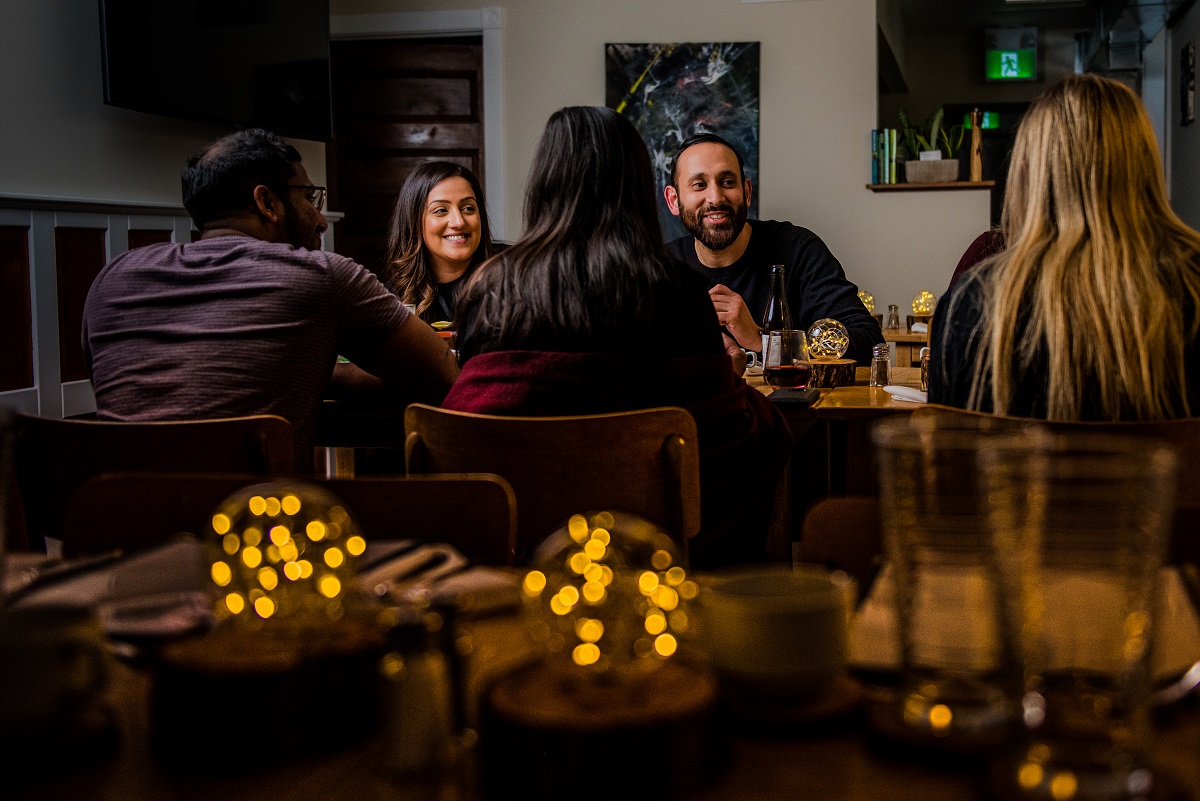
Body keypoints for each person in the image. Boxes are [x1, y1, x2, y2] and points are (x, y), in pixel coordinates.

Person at [450, 106, 793, 568]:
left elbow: (489, 397)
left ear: (544, 182)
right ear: (638, 189)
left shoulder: (489, 287)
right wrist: (727, 383)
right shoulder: (676, 289)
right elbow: (719, 427)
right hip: (657, 547)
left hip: (519, 547)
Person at [82, 128, 459, 467]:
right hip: (255, 530)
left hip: (119, 528)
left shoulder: (113, 277)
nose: (321, 219)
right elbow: (442, 373)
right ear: (266, 202)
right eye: (309, 197)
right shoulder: (321, 275)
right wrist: (327, 368)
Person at [929, 74, 1200, 420]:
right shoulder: (1191, 285)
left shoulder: (971, 304)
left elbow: (950, 464)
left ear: (1028, 173)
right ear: (1144, 166)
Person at [663, 133, 883, 364]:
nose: (715, 198)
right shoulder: (660, 267)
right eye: (699, 185)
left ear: (746, 192)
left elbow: (869, 342)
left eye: (727, 182)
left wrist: (764, 340)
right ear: (673, 200)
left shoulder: (798, 250)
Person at [383, 161, 499, 325]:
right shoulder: (394, 297)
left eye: (468, 208)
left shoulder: (515, 274)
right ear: (414, 221)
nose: (458, 222)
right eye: (441, 210)